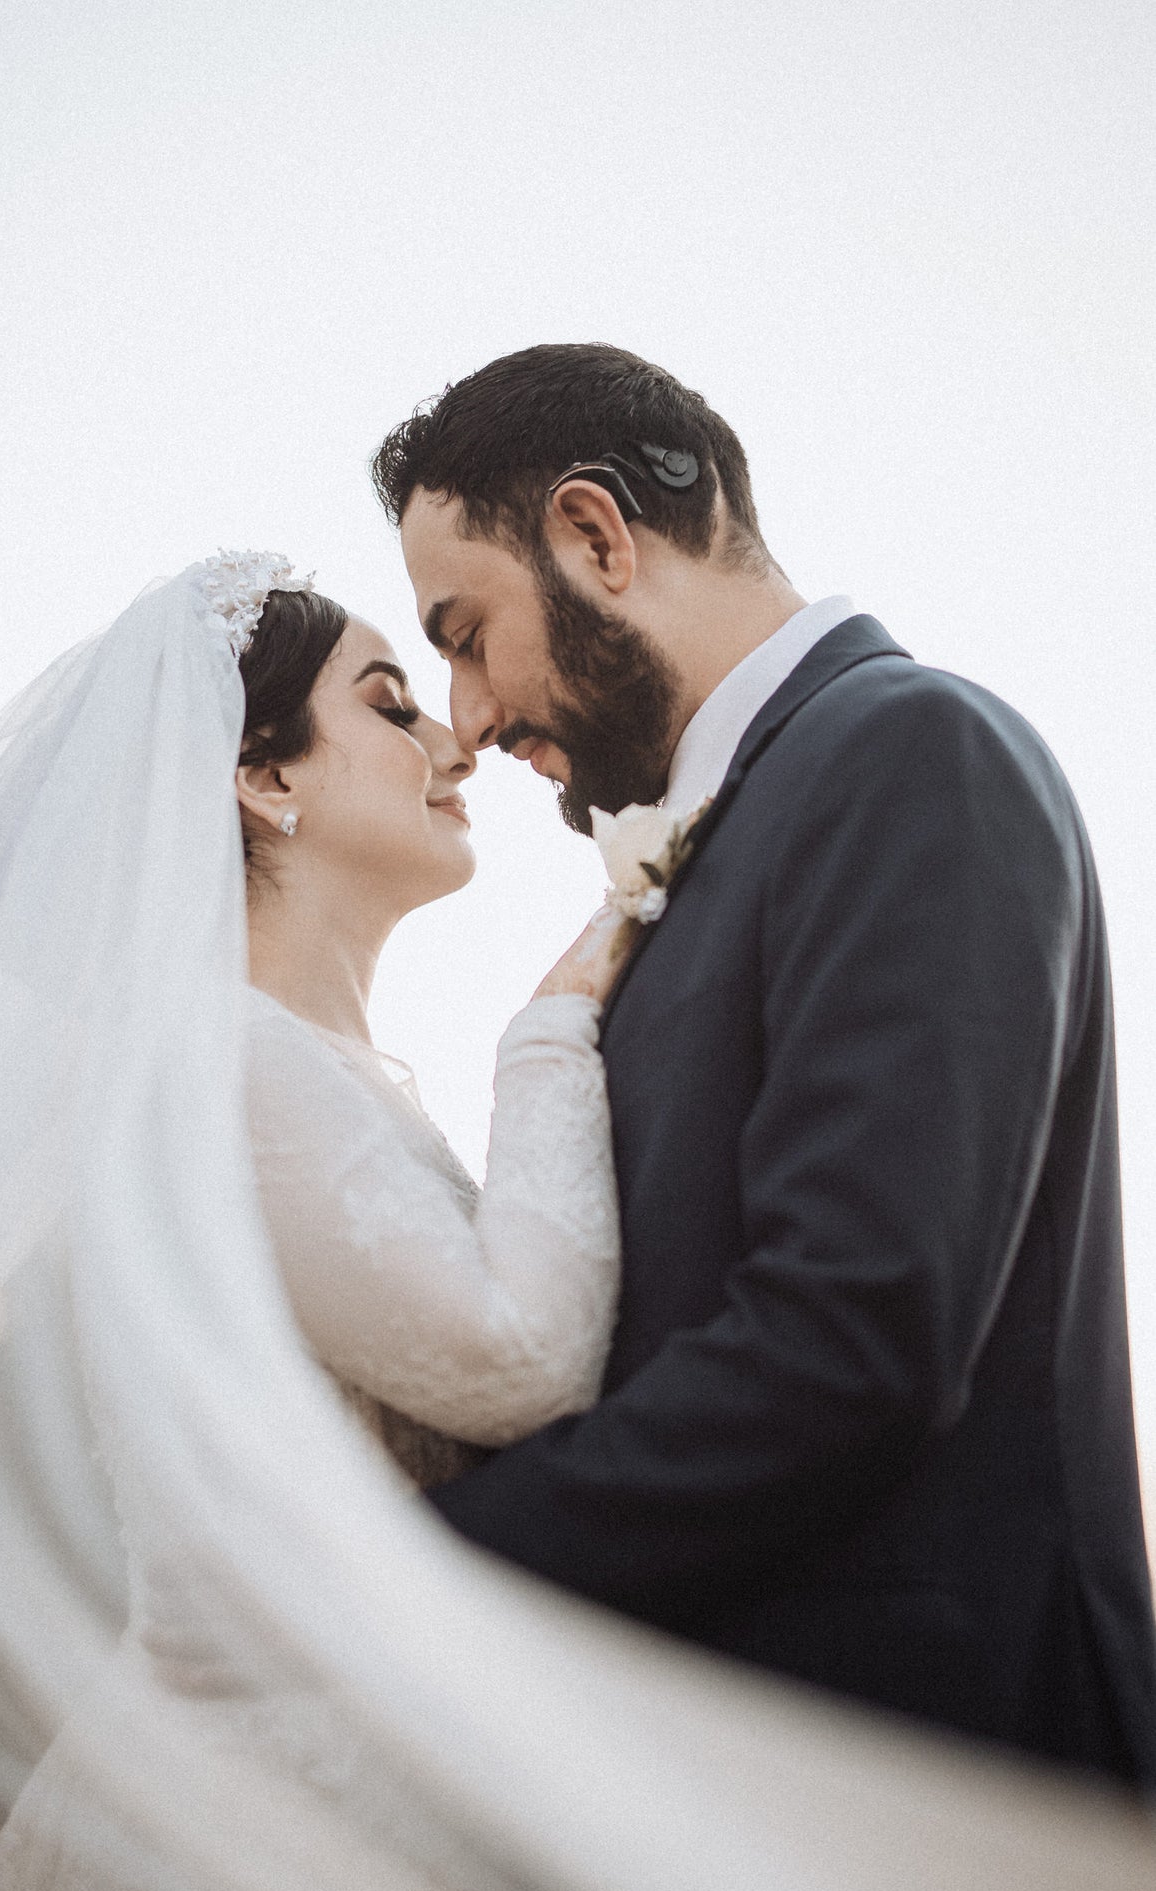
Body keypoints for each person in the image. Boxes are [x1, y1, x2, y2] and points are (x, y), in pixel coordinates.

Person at [0, 555, 1155, 1891]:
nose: (453, 740)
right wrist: (547, 1041)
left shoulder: (314, 1075)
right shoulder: (216, 1067)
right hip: (279, 1841)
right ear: (261, 780)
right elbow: (525, 1354)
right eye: (392, 701)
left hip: (378, 1812)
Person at [373, 340, 1156, 1789]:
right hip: (776, 1786)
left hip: (950, 1787)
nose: (467, 716)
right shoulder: (750, 816)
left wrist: (395, 1572)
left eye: (465, 631)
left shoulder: (916, 752)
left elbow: (848, 1335)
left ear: (594, 535)